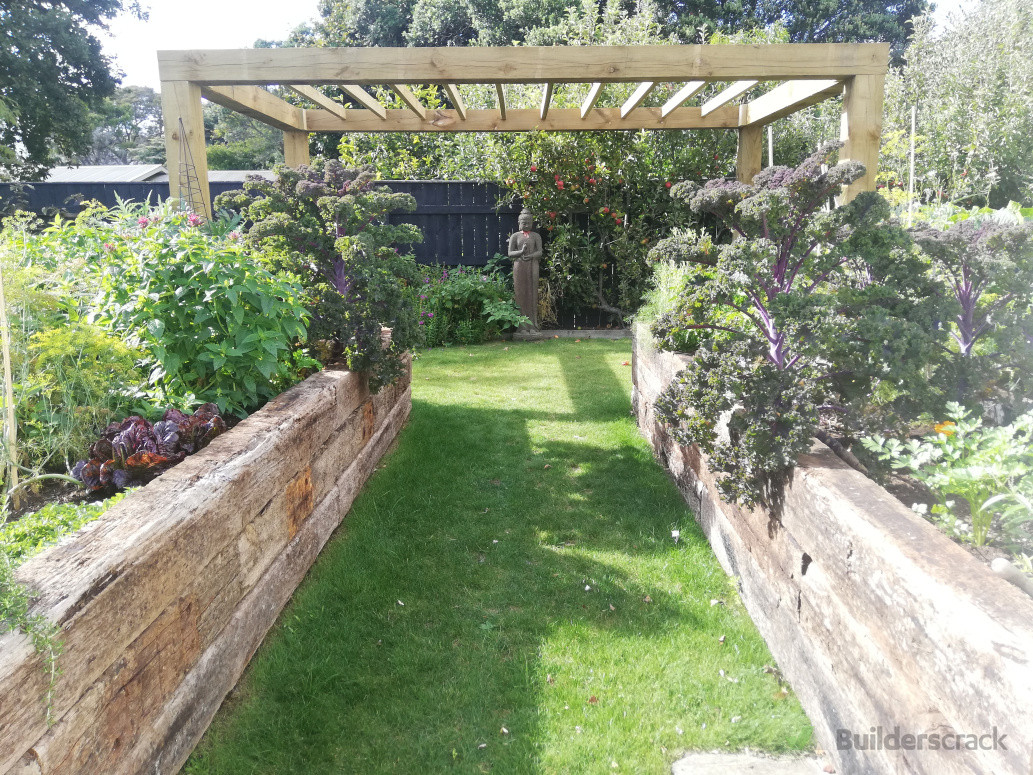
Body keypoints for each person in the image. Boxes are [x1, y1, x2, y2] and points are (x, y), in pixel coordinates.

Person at [507, 209, 543, 330]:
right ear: (519, 222)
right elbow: (510, 253)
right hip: (519, 266)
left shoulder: (536, 236)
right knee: (520, 294)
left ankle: (532, 325)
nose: (526, 224)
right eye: (524, 222)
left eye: (529, 222)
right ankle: (522, 326)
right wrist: (521, 252)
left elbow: (540, 252)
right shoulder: (515, 236)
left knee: (532, 293)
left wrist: (531, 255)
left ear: (532, 222)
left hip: (533, 265)